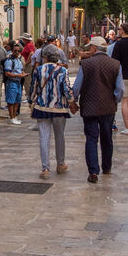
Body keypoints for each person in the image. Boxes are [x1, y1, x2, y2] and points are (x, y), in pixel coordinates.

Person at [70, 36, 123, 183]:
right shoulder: (116, 64)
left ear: (94, 48)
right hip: (108, 108)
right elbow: (120, 88)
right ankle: (107, 167)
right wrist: (114, 101)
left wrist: (73, 101)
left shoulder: (86, 64)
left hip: (89, 107)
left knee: (91, 139)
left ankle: (93, 172)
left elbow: (77, 87)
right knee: (107, 138)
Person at [30, 45, 72, 178]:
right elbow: (66, 88)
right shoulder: (62, 71)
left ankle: (45, 169)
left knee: (44, 137)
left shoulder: (38, 70)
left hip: (42, 108)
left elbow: (33, 90)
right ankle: (60, 164)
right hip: (59, 108)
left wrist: (32, 101)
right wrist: (71, 101)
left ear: (45, 57)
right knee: (60, 136)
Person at [3, 44, 24, 124]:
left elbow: (21, 70)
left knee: (17, 101)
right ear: (12, 51)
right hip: (11, 82)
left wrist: (23, 74)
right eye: (15, 51)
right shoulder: (9, 61)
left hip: (18, 82)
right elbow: (7, 73)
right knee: (11, 101)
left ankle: (14, 116)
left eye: (18, 51)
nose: (17, 52)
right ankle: (11, 117)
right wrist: (17, 75)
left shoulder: (19, 60)